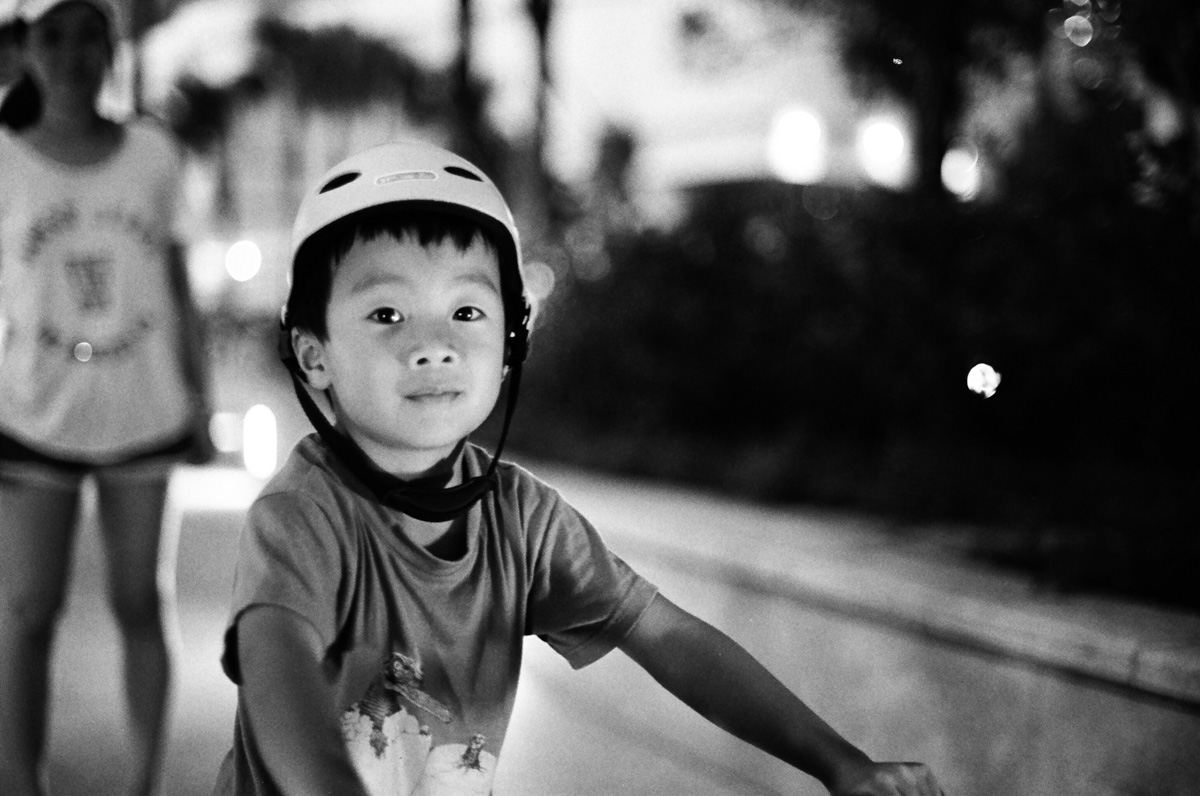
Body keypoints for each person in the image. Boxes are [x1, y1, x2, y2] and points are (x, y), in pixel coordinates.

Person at [214, 140, 945, 796]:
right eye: (386, 315)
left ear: (510, 345)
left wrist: (840, 763)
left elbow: (670, 639)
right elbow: (280, 682)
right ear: (313, 357)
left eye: (466, 313)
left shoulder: (522, 518)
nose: (433, 345)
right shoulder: (301, 517)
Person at [0, 0, 211, 794]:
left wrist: (201, 398)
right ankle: (22, 782)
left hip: (143, 409)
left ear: (112, 47)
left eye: (91, 33)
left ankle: (143, 783)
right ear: (26, 48)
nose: (74, 52)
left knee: (138, 601)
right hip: (30, 415)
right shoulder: (5, 160)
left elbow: (182, 283)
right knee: (26, 613)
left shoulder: (152, 153)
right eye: (53, 34)